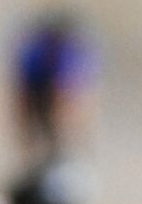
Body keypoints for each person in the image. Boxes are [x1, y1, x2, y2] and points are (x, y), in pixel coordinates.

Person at [13, 10, 97, 158]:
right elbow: (24, 92)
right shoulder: (37, 56)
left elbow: (78, 98)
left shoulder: (72, 61)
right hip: (40, 84)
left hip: (52, 84)